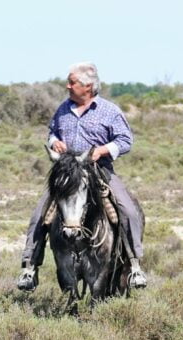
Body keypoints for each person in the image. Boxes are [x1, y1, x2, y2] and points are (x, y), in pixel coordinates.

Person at [17, 62, 147, 291]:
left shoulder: (109, 111)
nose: (67, 86)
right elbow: (52, 132)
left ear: (87, 86)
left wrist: (102, 150)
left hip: (100, 170)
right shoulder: (63, 109)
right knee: (40, 213)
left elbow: (125, 141)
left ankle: (135, 264)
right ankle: (30, 267)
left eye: (72, 82)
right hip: (67, 172)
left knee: (128, 210)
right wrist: (54, 142)